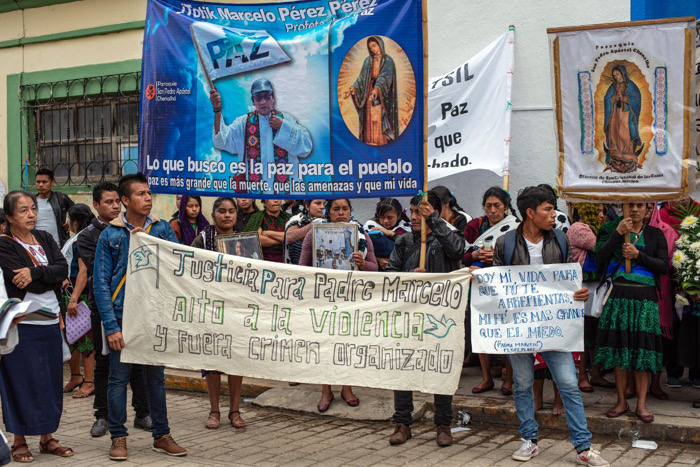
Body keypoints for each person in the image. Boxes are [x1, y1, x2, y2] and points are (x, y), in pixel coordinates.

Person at [492, 186, 609, 466]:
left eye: (553, 208)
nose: (553, 214)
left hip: (553, 325)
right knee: (522, 383)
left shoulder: (560, 239)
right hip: (519, 327)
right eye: (547, 209)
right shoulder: (505, 243)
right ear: (530, 213)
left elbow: (569, 278)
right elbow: (495, 284)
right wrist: (479, 278)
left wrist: (578, 292)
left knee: (568, 383)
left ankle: (583, 447)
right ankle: (529, 440)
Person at [93, 173, 187, 460]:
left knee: (155, 380)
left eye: (149, 193)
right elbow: (101, 283)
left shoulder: (161, 229)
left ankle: (162, 434)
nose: (148, 198)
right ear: (125, 200)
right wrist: (111, 326)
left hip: (154, 316)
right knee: (118, 379)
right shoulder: (110, 235)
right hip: (123, 318)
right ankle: (118, 438)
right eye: (141, 194)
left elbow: (178, 268)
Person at [386, 191, 465, 447]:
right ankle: (403, 423)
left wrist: (436, 223)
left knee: (440, 367)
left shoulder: (447, 237)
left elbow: (458, 250)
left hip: (440, 317)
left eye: (423, 211)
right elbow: (391, 277)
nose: (417, 216)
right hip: (409, 316)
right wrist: (412, 276)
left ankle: (443, 424)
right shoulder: (404, 242)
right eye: (414, 211)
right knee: (403, 367)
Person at [0, 190, 73, 462]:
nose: (31, 214)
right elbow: (21, 280)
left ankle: (47, 437)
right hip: (22, 324)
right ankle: (19, 441)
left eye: (33, 209)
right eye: (23, 210)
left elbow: (62, 270)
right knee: (20, 381)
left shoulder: (44, 238)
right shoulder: (4, 244)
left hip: (51, 322)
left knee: (50, 381)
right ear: (8, 216)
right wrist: (46, 275)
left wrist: (35, 272)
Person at [76, 182, 152, 438]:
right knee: (105, 363)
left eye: (116, 202)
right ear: (96, 206)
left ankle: (142, 413)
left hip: (138, 306)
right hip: (105, 308)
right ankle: (102, 415)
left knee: (139, 363)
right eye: (107, 202)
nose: (114, 206)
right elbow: (98, 272)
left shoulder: (139, 229)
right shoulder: (89, 236)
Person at [299, 199, 378, 412]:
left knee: (348, 345)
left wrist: (362, 264)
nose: (341, 213)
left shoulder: (361, 236)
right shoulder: (313, 234)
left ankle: (347, 387)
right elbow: (302, 268)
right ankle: (326, 390)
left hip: (352, 300)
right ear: (328, 212)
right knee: (325, 344)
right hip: (324, 298)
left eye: (345, 209)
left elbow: (375, 269)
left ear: (351, 211)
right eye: (336, 209)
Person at [594, 202, 668, 423]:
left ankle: (642, 405)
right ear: (622, 208)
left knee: (642, 352)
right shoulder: (610, 230)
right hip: (619, 298)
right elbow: (599, 257)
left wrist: (638, 255)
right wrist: (618, 234)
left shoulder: (655, 234)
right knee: (620, 351)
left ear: (647, 209)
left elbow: (664, 266)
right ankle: (621, 401)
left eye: (640, 206)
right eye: (630, 205)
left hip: (645, 300)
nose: (635, 210)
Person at [191, 198, 247, 429]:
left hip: (237, 306)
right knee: (212, 359)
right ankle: (214, 410)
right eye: (222, 211)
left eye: (231, 211)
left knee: (235, 359)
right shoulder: (203, 238)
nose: (227, 215)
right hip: (211, 306)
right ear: (213, 214)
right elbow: (191, 266)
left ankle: (234, 410)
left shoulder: (246, 240)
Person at [211, 79, 313, 193]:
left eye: (267, 96)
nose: (263, 101)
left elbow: (306, 148)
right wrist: (217, 110)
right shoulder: (243, 123)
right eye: (258, 97)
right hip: (257, 197)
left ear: (273, 98)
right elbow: (221, 141)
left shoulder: (287, 119)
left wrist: (283, 127)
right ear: (253, 101)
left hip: (287, 196)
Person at [463, 187, 517, 394]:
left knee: (507, 332)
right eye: (488, 206)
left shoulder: (515, 227)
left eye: (497, 206)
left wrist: (496, 258)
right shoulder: (476, 228)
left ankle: (509, 379)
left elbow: (519, 257)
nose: (493, 210)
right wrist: (476, 256)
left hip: (504, 286)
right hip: (480, 286)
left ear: (505, 207)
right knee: (481, 330)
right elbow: (464, 256)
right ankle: (486, 378)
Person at [567, 203, 613, 392]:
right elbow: (601, 248)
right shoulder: (579, 228)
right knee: (584, 332)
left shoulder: (595, 229)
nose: (602, 215)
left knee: (595, 330)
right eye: (598, 211)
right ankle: (582, 375)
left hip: (595, 286)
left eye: (603, 211)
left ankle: (595, 374)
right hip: (582, 286)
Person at [62, 204, 97, 399]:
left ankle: (89, 381)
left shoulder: (82, 240)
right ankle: (76, 376)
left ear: (75, 221)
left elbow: (83, 271)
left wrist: (74, 298)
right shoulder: (76, 237)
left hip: (80, 295)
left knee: (85, 340)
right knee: (72, 338)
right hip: (70, 292)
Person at [344, 36, 398, 145]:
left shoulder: (388, 61)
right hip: (368, 94)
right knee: (369, 119)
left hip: (380, 96)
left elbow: (384, 78)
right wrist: (352, 88)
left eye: (374, 45)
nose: (373, 49)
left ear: (380, 45)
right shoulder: (368, 61)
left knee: (379, 119)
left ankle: (380, 141)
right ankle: (369, 141)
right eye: (370, 47)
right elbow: (361, 78)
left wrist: (376, 90)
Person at [604, 65, 643, 173]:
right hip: (615, 113)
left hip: (626, 113)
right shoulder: (613, 86)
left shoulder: (630, 86)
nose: (616, 76)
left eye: (617, 74)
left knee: (624, 133)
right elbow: (607, 98)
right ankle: (615, 152)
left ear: (622, 73)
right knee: (614, 132)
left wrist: (625, 98)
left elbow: (636, 98)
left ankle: (627, 153)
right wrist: (613, 99)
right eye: (614, 75)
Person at [364, 198, 411, 270]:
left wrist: (391, 234)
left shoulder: (405, 227)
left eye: (390, 218)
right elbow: (363, 249)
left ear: (398, 215)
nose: (385, 221)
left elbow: (410, 247)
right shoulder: (370, 226)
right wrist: (377, 259)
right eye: (382, 217)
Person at [33, 168, 73, 247]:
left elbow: (77, 210)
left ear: (52, 183)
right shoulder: (31, 201)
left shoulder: (61, 198)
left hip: (58, 246)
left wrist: (70, 221)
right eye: (38, 182)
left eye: (44, 182)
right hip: (37, 247)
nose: (41, 185)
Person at [284, 199, 326, 265]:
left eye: (325, 204)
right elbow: (289, 238)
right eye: (318, 203)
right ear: (307, 206)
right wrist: (315, 225)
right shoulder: (297, 219)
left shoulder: (331, 221)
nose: (322, 207)